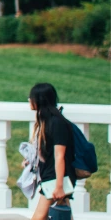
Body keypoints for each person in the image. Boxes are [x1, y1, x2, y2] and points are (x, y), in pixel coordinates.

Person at [25, 83, 76, 220]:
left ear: (40, 100)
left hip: (56, 177)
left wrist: (59, 186)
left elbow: (60, 156)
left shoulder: (57, 123)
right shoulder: (46, 121)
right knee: (63, 215)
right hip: (52, 175)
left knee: (39, 217)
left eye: (31, 97)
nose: (29, 100)